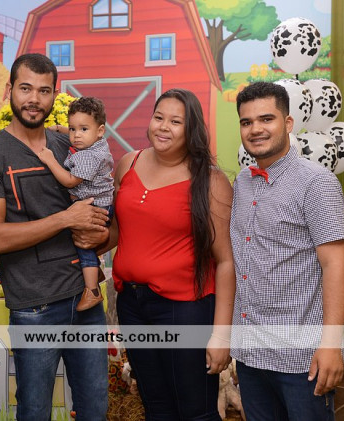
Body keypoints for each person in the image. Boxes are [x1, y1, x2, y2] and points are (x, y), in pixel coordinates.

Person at [0, 53, 109, 421]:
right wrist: (66, 219)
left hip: (86, 300)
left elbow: (100, 214)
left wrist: (101, 233)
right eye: (26, 88)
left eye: (44, 91)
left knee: (95, 408)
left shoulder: (69, 146)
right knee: (34, 411)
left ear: (54, 95)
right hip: (35, 307)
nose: (34, 99)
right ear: (9, 90)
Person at [86, 88, 236, 420]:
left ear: (191, 129)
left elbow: (226, 261)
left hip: (185, 309)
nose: (163, 127)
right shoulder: (128, 163)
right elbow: (118, 231)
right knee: (156, 407)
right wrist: (77, 243)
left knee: (196, 411)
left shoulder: (210, 181)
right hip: (133, 305)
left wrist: (221, 335)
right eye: (158, 117)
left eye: (175, 121)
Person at [231, 81, 344, 420]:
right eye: (246, 122)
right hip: (252, 356)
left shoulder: (316, 182)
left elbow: (336, 264)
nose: (255, 129)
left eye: (266, 119)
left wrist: (331, 345)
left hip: (302, 361)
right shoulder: (242, 183)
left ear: (287, 123)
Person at [37, 96, 114, 311]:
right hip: (101, 202)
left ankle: (92, 291)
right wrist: (61, 129)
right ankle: (94, 273)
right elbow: (79, 132)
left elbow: (70, 181)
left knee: (83, 245)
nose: (76, 135)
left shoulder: (88, 156)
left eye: (83, 129)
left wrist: (50, 160)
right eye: (72, 129)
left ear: (100, 130)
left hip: (95, 207)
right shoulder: (98, 143)